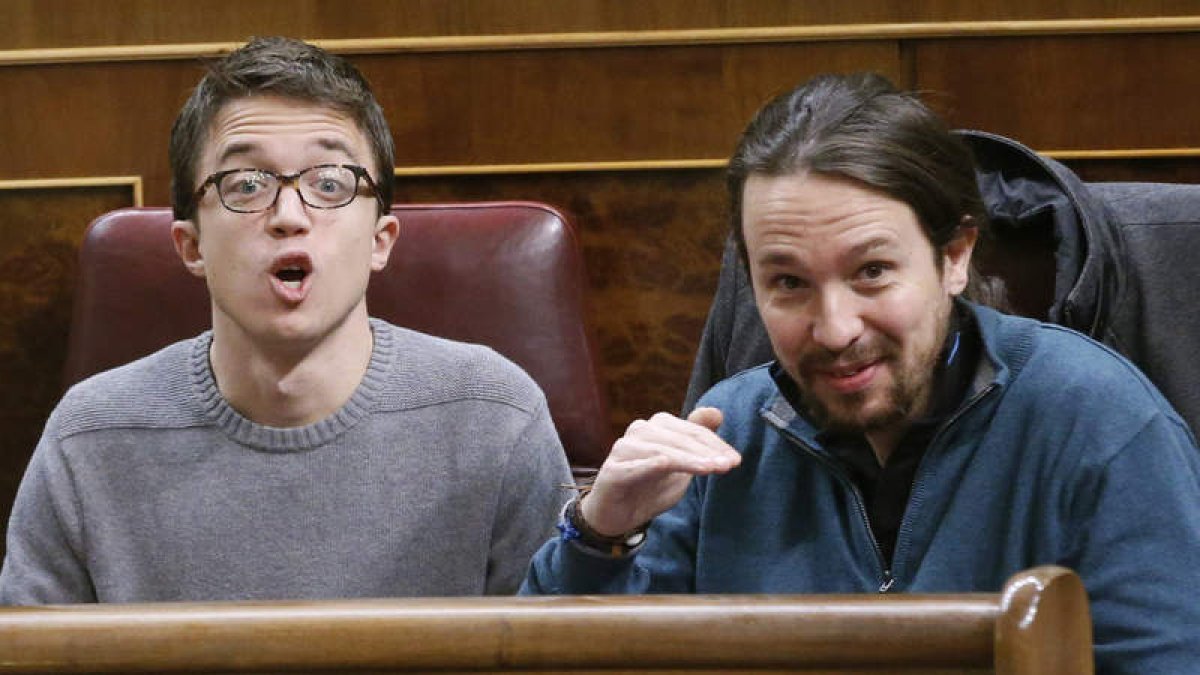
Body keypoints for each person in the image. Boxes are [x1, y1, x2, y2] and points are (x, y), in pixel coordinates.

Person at [522, 73, 1200, 674]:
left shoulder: (1101, 422)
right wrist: (601, 534)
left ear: (955, 255)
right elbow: (550, 658)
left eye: (872, 271)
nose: (835, 328)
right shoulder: (727, 433)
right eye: (788, 282)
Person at [0, 36, 572, 603]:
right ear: (190, 246)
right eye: (247, 185)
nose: (289, 216)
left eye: (329, 183)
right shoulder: (89, 437)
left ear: (381, 240)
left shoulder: (496, 416)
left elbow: (561, 649)